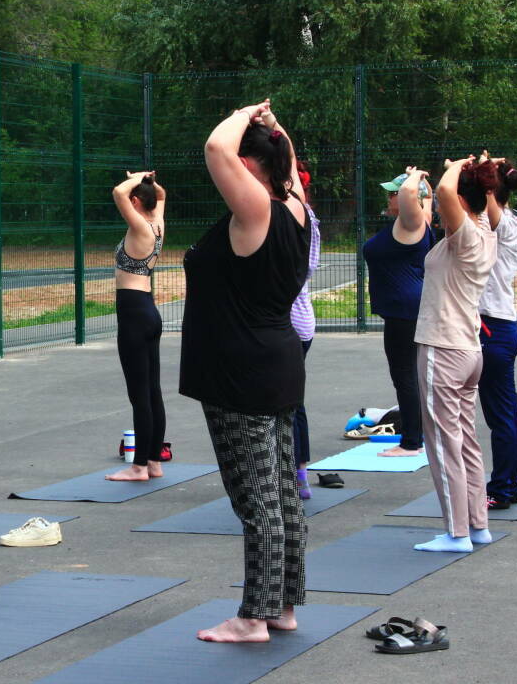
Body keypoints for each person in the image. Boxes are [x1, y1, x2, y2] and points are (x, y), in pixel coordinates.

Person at [180, 100, 310, 643]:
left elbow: (216, 148)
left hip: (241, 372)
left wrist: (240, 114)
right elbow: (287, 163)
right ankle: (283, 607)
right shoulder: (295, 205)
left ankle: (253, 617)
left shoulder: (256, 210)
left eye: (242, 162)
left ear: (253, 167)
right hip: (273, 364)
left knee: (257, 501)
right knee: (279, 493)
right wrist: (274, 128)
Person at [412, 156, 499, 553]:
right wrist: (476, 170)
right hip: (467, 351)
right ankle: (477, 526)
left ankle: (457, 533)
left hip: (443, 349)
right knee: (465, 442)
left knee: (444, 444)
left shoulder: (467, 238)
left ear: (462, 202)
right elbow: (471, 194)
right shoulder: (486, 229)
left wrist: (460, 166)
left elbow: (447, 190)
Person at [362, 168, 433, 458]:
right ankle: (417, 436)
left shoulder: (410, 222)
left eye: (394, 193)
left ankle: (411, 442)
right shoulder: (419, 220)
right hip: (405, 309)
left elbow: (410, 194)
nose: (390, 197)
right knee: (410, 374)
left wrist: (413, 179)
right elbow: (426, 199)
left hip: (403, 311)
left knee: (404, 375)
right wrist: (422, 183)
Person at [106, 170, 167, 482]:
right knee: (152, 391)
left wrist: (137, 179)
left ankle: (139, 466)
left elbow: (118, 193)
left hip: (133, 314)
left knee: (139, 395)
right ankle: (154, 462)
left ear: (135, 202)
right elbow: (162, 194)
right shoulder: (158, 223)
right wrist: (147, 181)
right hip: (148, 310)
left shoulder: (141, 226)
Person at [478, 158, 517, 510]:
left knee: (501, 416)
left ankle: (502, 489)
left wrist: (482, 171)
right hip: (501, 327)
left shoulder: (504, 224)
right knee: (507, 413)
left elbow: (488, 199)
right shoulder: (513, 221)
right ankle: (509, 484)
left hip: (493, 328)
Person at [288, 159, 320, 497]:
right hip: (301, 322)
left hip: (289, 323)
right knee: (294, 401)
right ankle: (299, 472)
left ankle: (293, 473)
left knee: (284, 403)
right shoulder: (308, 217)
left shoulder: (296, 218)